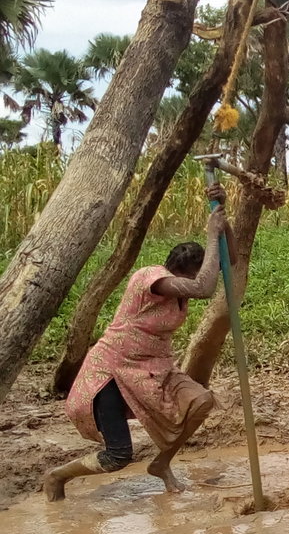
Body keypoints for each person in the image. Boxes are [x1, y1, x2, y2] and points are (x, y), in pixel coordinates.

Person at [45, 186, 230, 501]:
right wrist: (212, 236)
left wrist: (224, 224)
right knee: (118, 456)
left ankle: (161, 463)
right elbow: (204, 286)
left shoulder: (180, 293)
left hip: (152, 370)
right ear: (181, 272)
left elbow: (229, 262)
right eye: (196, 273)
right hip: (112, 374)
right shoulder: (151, 278)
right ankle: (57, 476)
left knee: (201, 402)